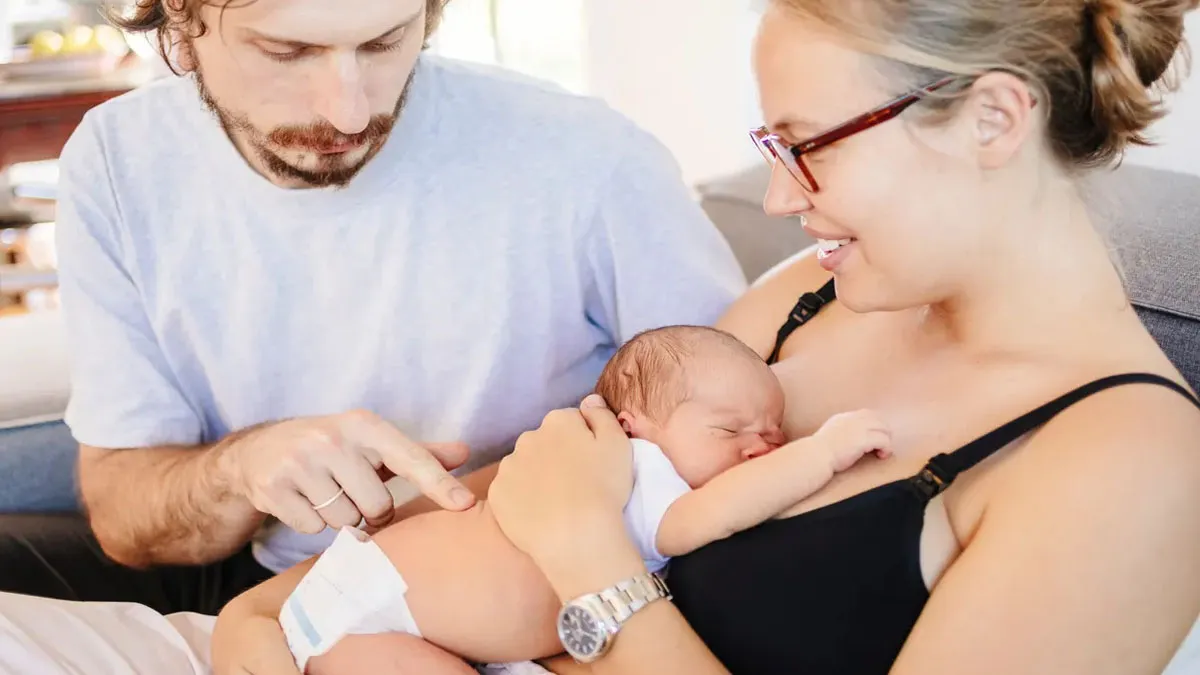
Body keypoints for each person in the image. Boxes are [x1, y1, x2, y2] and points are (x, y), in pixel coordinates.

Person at [214, 0, 1200, 673]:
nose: (777, 196)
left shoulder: (1131, 467)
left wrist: (589, 559)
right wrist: (265, 626)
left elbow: (574, 516)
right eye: (773, 151)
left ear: (992, 120)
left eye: (805, 146)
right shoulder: (803, 300)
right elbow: (521, 502)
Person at [0, 0, 747, 616]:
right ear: (177, 26)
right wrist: (242, 469)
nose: (350, 113)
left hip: (495, 593)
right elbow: (124, 512)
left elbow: (752, 424)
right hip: (265, 578)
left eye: (387, 41)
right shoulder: (117, 159)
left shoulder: (590, 159)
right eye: (286, 52)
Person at [236, 325, 891, 674]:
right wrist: (819, 451)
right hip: (367, 617)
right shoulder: (639, 469)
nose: (759, 446)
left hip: (372, 605)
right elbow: (717, 513)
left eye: (773, 431)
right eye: (731, 430)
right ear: (636, 423)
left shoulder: (599, 459)